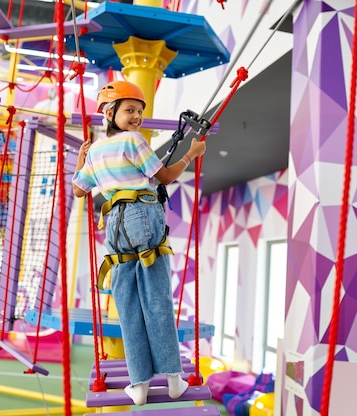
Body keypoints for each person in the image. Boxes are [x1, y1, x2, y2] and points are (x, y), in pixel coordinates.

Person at [71, 80, 206, 406]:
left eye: (140, 111)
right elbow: (164, 177)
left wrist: (81, 158)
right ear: (109, 112)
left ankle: (140, 385)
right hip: (142, 216)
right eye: (130, 110)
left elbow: (78, 190)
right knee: (156, 298)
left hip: (114, 225)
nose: (136, 117)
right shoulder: (134, 141)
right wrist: (191, 154)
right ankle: (174, 381)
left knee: (128, 304)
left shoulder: (97, 150)